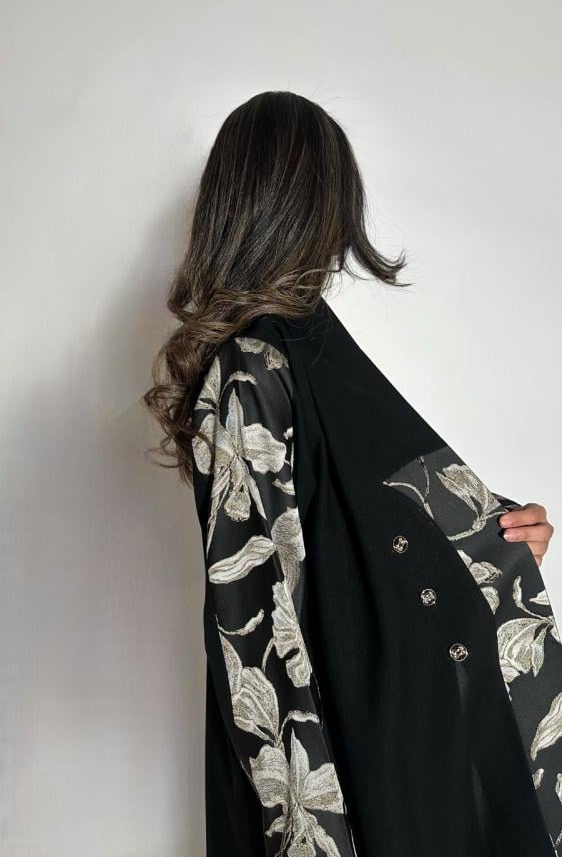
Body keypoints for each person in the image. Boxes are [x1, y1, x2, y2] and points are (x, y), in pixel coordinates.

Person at [143, 91, 561, 857]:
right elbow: (255, 627)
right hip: (345, 782)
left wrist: (494, 540)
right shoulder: (253, 369)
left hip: (387, 757)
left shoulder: (314, 352)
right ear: (318, 204)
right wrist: (310, 831)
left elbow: (380, 524)